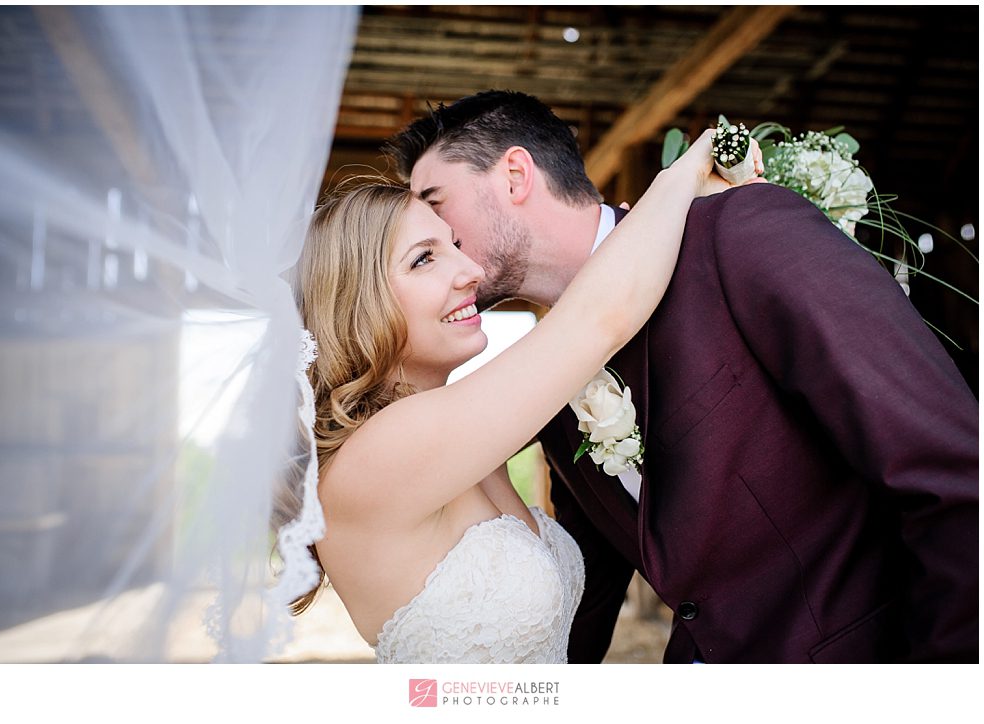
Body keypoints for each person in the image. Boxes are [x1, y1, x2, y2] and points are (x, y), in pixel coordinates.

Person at [386, 90, 979, 663]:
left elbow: (953, 472)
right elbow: (584, 581)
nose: (436, 238)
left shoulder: (739, 235)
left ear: (515, 176)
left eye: (436, 205)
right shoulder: (546, 374)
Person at [276, 130, 756, 663]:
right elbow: (598, 320)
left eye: (455, 247)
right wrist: (686, 175)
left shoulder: (460, 435)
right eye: (423, 259)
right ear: (357, 302)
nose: (471, 272)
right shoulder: (383, 452)